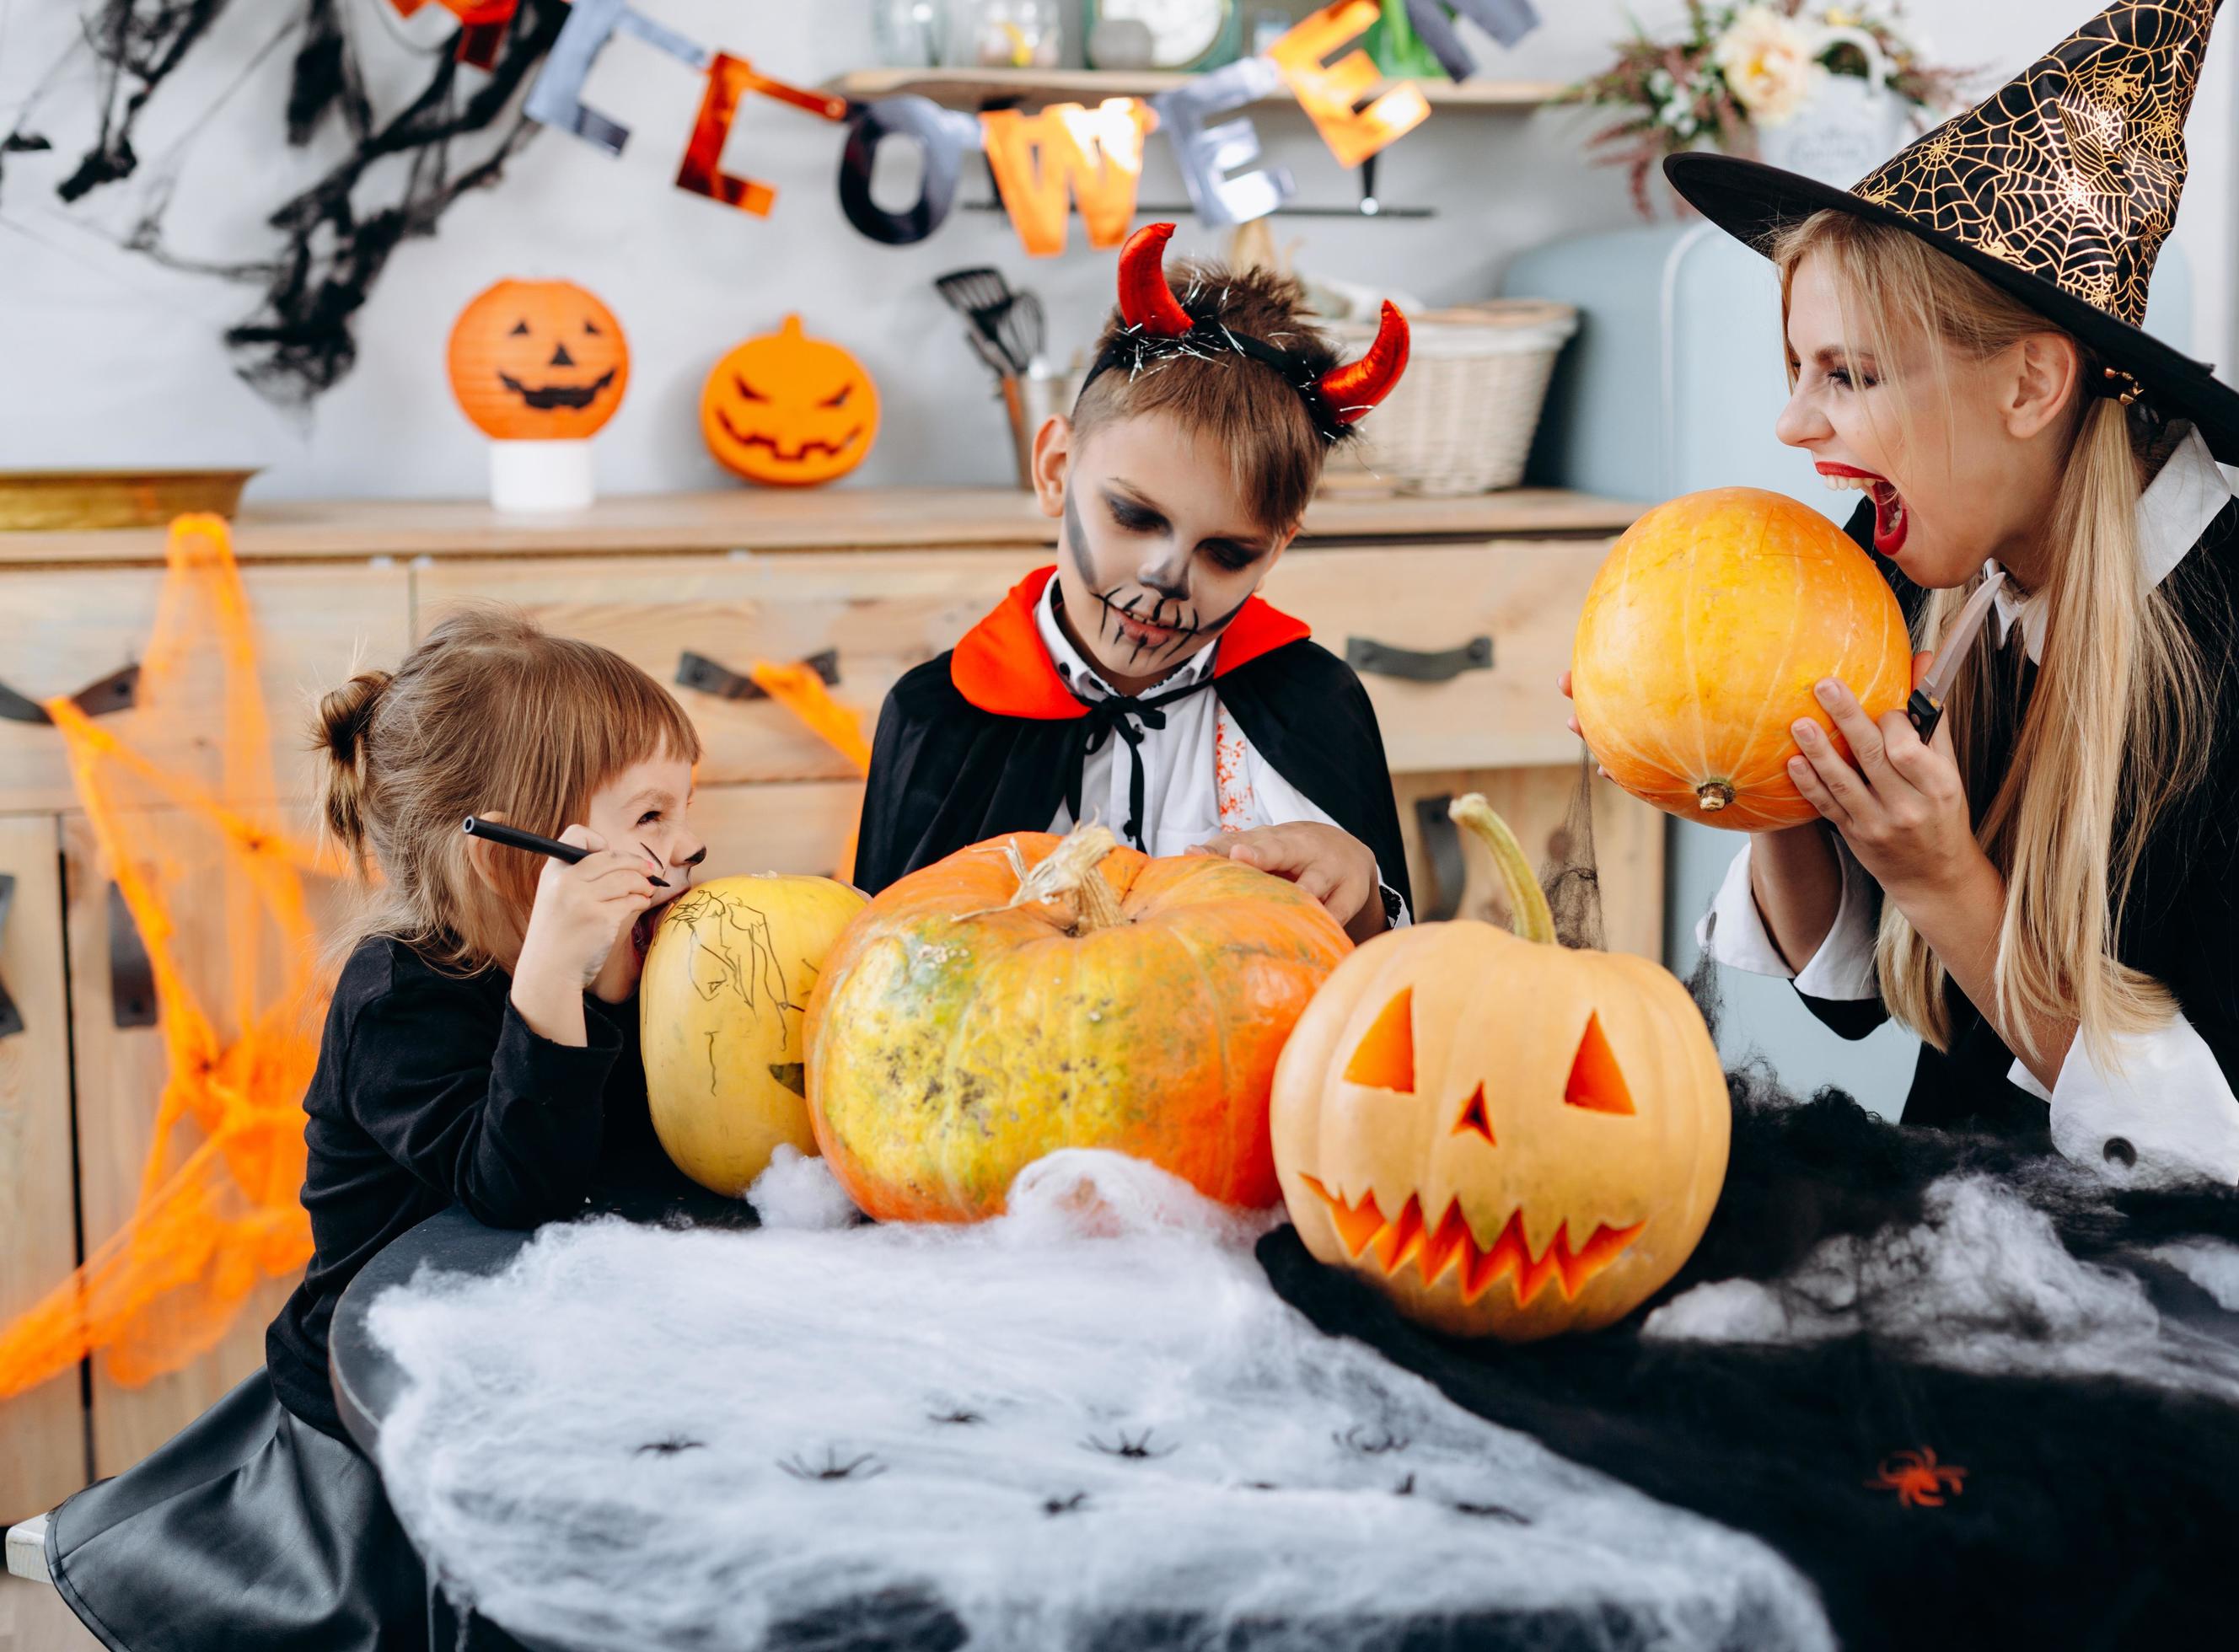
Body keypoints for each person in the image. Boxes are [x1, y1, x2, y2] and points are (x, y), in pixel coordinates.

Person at [1652, 0, 2239, 1328]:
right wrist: (1742, 766)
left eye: (1849, 372)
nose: (1795, 421)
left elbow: (2197, 1144)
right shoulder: (1902, 569)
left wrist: (1943, 874)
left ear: (2028, 388)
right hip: (1972, 1204)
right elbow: (1847, 1003)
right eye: (1797, 368)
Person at [44, 607, 705, 1649]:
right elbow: (517, 1190)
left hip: (549, 1358)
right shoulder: (400, 997)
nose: (685, 849)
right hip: (389, 1405)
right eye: (650, 817)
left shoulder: (641, 955)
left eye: (686, 809)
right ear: (511, 852)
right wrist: (552, 980)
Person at [854, 223, 1415, 941]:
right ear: (1057, 468)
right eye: (1133, 516)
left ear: (1276, 549)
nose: (1168, 578)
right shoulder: (940, 718)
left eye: (1228, 553)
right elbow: (877, 979)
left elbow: (1379, 990)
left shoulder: (1311, 707)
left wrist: (1359, 887)